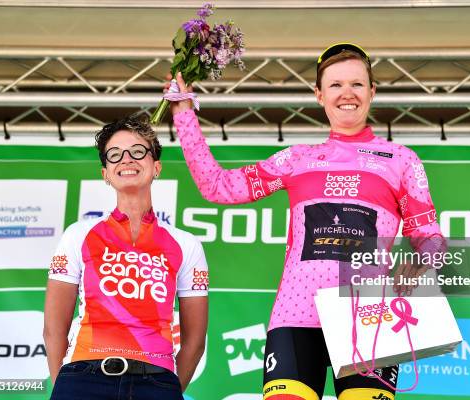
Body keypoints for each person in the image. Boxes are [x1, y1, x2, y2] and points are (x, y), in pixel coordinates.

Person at [168, 43, 445, 400]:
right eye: (335, 85)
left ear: (372, 91)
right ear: (319, 95)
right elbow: (218, 187)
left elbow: (430, 236)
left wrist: (421, 259)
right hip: (296, 314)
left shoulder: (401, 160)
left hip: (368, 314)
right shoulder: (296, 159)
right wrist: (183, 113)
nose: (347, 94)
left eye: (357, 84)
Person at [43, 114, 208, 400]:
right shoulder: (78, 234)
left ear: (156, 167)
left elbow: (194, 341)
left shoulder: (187, 244)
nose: (127, 160)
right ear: (105, 173)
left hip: (156, 381)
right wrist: (66, 386)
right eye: (115, 155)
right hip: (83, 377)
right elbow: (53, 329)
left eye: (138, 152)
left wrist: (167, 390)